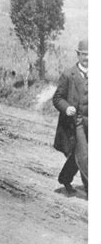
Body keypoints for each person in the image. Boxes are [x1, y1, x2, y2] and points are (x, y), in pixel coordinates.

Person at [52, 39, 88, 195]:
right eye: (84, 55)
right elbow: (57, 98)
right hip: (76, 122)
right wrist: (67, 108)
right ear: (78, 55)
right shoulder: (68, 74)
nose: (87, 58)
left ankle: (65, 178)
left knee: (78, 154)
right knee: (85, 155)